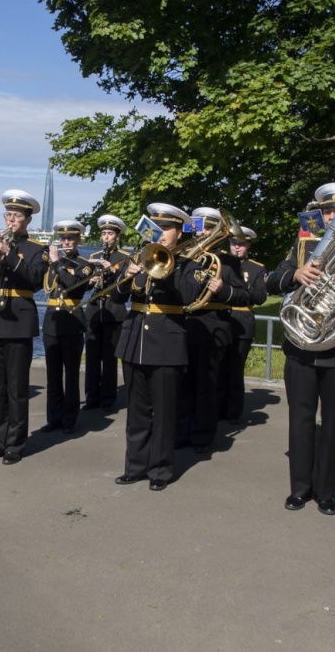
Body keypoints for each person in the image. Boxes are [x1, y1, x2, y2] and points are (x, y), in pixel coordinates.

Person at [266, 181, 335, 516]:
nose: (332, 215)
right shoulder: (304, 243)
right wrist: (296, 274)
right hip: (301, 346)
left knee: (334, 423)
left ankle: (325, 492)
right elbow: (272, 280)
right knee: (300, 420)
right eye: (327, 210)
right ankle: (299, 489)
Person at [114, 203, 201, 491]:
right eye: (157, 228)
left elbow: (189, 296)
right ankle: (135, 465)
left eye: (166, 229)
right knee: (136, 409)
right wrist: (129, 274)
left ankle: (161, 470)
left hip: (166, 342)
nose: (161, 235)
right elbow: (118, 296)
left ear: (179, 231)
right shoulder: (139, 256)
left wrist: (169, 268)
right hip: (135, 339)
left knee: (164, 411)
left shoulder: (190, 263)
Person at [0, 189, 48, 465]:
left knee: (16, 387)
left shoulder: (37, 249)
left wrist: (11, 254)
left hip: (19, 321)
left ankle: (15, 443)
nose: (10, 221)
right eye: (8, 215)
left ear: (27, 220)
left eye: (16, 216)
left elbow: (34, 279)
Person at [177, 206, 249, 452]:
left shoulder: (227, 261)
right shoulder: (184, 257)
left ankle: (203, 436)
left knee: (206, 388)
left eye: (210, 228)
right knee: (183, 386)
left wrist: (223, 290)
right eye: (201, 227)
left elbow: (245, 296)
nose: (204, 232)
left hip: (212, 328)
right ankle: (181, 432)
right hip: (184, 327)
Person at [39, 220, 92, 434]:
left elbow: (71, 284)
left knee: (71, 375)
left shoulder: (85, 264)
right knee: (53, 375)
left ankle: (69, 419)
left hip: (72, 320)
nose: (66, 242)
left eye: (70, 238)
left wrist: (55, 262)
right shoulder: (53, 262)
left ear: (78, 239)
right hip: (52, 319)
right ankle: (53, 418)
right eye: (63, 238)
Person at [218, 226, 267, 423]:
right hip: (222, 319)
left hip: (242, 321)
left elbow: (261, 296)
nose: (236, 248)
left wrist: (237, 291)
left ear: (248, 245)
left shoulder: (256, 268)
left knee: (235, 370)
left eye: (240, 244)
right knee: (219, 369)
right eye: (233, 243)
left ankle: (234, 412)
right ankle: (218, 409)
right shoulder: (221, 263)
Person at [83, 214, 130, 412]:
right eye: (104, 234)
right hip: (94, 311)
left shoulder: (124, 258)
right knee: (92, 357)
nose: (106, 237)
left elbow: (126, 284)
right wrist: (90, 281)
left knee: (110, 357)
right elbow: (85, 284)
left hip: (114, 310)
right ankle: (91, 396)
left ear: (117, 236)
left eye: (110, 234)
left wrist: (112, 270)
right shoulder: (94, 258)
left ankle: (108, 398)